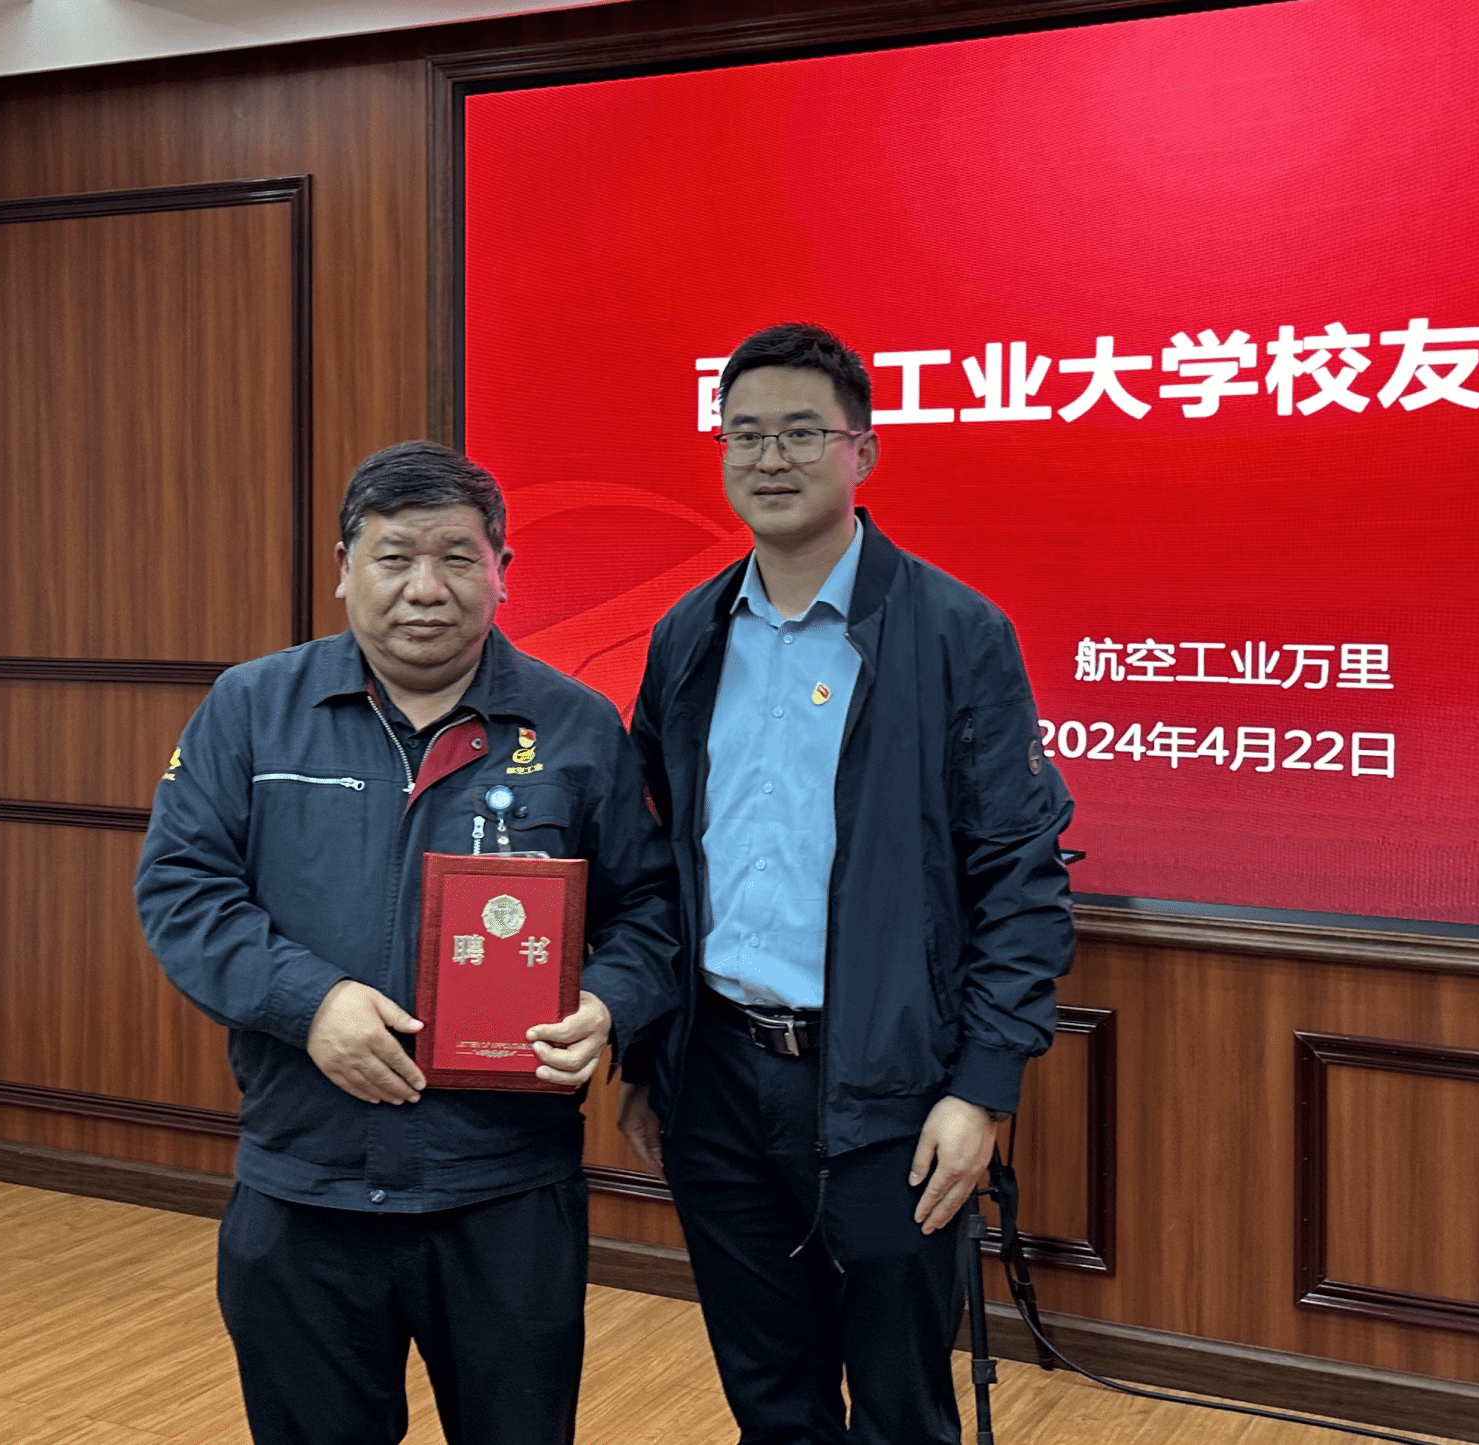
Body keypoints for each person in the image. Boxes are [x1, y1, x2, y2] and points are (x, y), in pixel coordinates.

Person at [136, 440, 678, 1445]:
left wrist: (608, 1004)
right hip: (304, 1182)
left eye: (456, 557)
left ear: (501, 570)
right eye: (394, 557)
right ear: (345, 568)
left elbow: (648, 910)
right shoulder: (251, 709)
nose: (425, 587)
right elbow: (182, 888)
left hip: (505, 1191)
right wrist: (310, 1003)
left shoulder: (574, 725)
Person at [618, 322, 1075, 1444]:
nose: (769, 459)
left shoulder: (955, 633)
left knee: (899, 1409)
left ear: (860, 451)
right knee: (770, 1397)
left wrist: (981, 1090)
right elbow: (652, 866)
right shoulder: (687, 636)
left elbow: (1019, 876)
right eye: (744, 435)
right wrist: (647, 1060)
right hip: (717, 1080)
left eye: (799, 434)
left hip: (891, 1091)